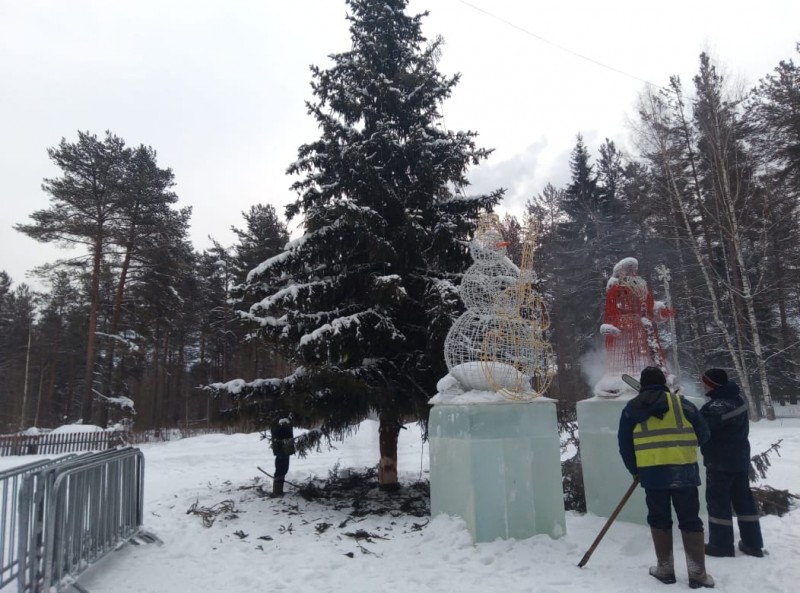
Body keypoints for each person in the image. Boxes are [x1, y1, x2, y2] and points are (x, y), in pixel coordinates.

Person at [618, 366, 714, 588]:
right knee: (690, 520)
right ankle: (697, 574)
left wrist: (635, 470)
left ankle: (665, 569)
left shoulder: (632, 408)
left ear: (642, 384)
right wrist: (685, 448)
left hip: (652, 475)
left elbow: (624, 445)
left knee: (659, 518)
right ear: (663, 382)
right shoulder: (682, 404)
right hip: (684, 472)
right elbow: (705, 433)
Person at [699, 368, 764, 558]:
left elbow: (701, 428)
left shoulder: (716, 407)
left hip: (720, 462)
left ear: (712, 384)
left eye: (705, 382)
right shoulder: (737, 400)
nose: (703, 385)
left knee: (718, 503)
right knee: (744, 503)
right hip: (740, 460)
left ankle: (721, 545)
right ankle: (753, 544)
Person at [270, 415, 294, 497]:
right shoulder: (279, 421)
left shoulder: (286, 419)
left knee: (283, 468)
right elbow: (276, 433)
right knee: (281, 468)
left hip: (285, 446)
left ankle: (278, 491)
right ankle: (277, 491)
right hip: (282, 446)